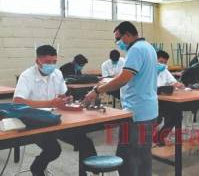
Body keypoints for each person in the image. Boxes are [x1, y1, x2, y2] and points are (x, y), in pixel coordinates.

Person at [85, 21, 157, 176]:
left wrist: (97, 90)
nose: (118, 43)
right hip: (149, 109)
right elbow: (127, 74)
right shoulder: (148, 47)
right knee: (144, 155)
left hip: (136, 112)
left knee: (127, 156)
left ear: (128, 35)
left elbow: (124, 78)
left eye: (119, 38)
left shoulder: (136, 49)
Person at [13, 45, 96, 176]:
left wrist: (67, 99)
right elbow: (17, 102)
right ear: (37, 61)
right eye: (47, 62)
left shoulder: (57, 73)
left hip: (55, 119)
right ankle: (37, 168)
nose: (51, 65)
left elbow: (62, 95)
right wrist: (50, 103)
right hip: (35, 121)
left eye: (54, 62)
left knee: (85, 142)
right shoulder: (27, 76)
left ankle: (89, 172)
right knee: (53, 150)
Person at [155, 50, 184, 146]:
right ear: (155, 59)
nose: (163, 64)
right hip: (151, 101)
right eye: (161, 62)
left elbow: (173, 82)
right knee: (156, 119)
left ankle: (160, 136)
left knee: (177, 116)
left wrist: (179, 84)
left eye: (165, 63)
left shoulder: (164, 70)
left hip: (164, 100)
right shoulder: (147, 70)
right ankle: (144, 140)